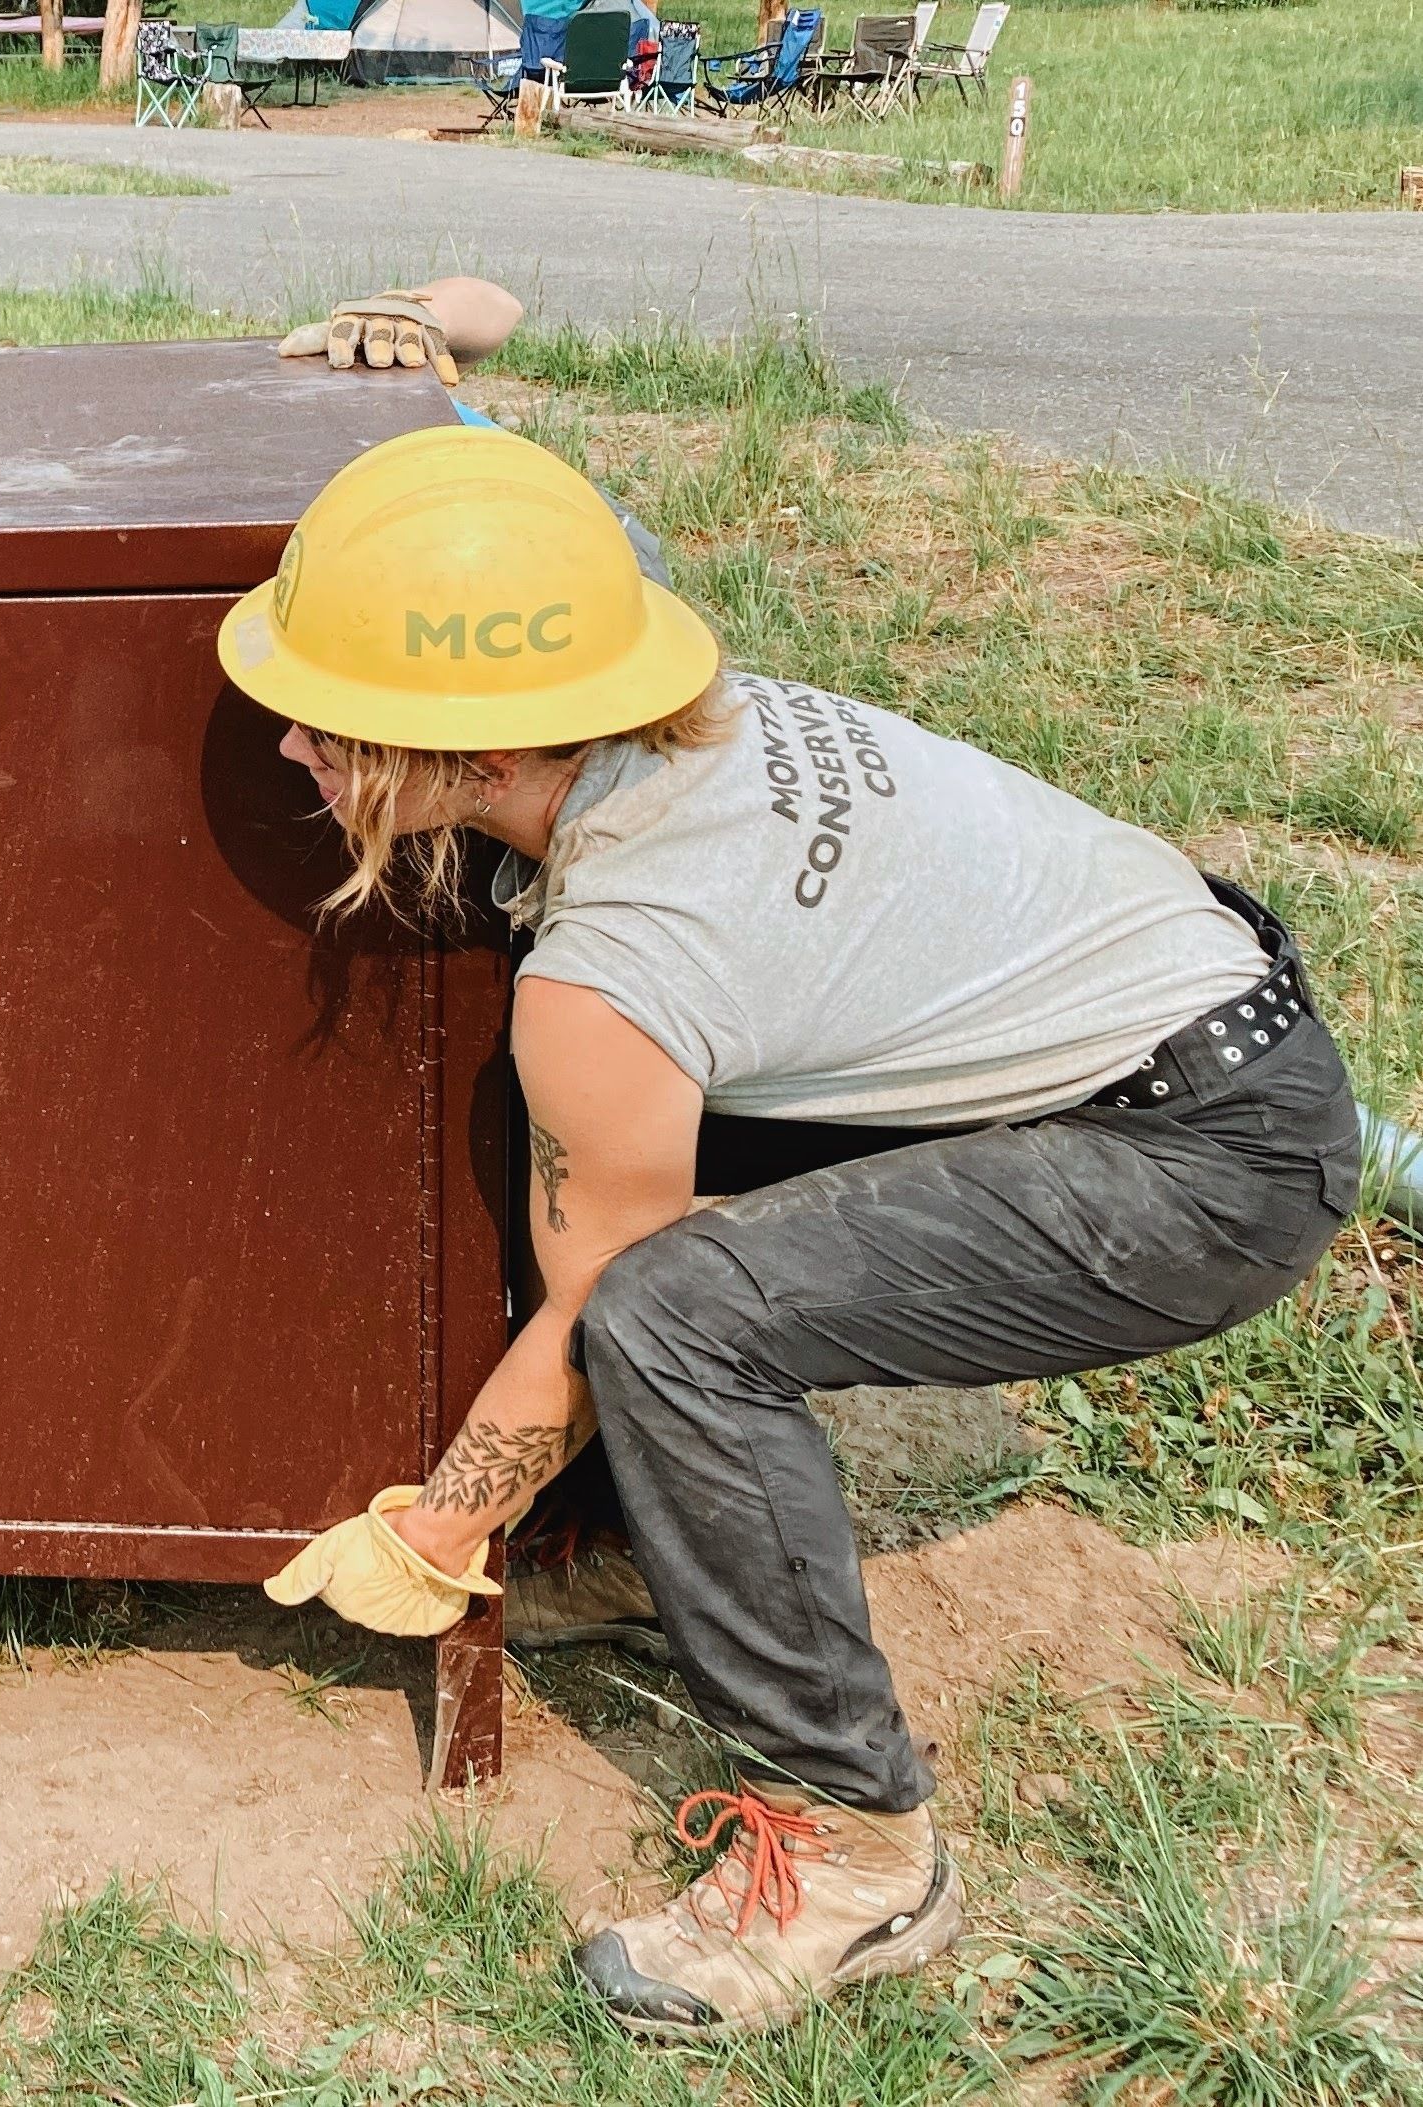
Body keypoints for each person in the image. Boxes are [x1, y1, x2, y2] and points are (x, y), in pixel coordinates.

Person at [225, 425, 1356, 2037]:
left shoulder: (618, 960)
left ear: (476, 757)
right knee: (606, 1169)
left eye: (334, 731)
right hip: (1155, 1013)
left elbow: (600, 1296)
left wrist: (432, 1532)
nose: (287, 753)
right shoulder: (636, 709)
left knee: (673, 1313)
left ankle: (854, 1848)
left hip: (1197, 1165)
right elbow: (534, 523)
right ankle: (634, 1547)